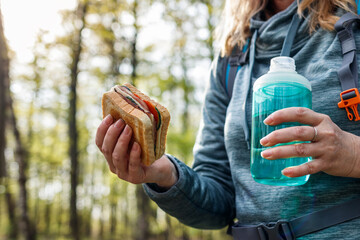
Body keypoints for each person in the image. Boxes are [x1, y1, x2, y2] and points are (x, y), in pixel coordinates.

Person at [95, 0, 360, 239]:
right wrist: (164, 175)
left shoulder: (353, 17)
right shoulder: (232, 57)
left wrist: (353, 155)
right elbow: (217, 205)